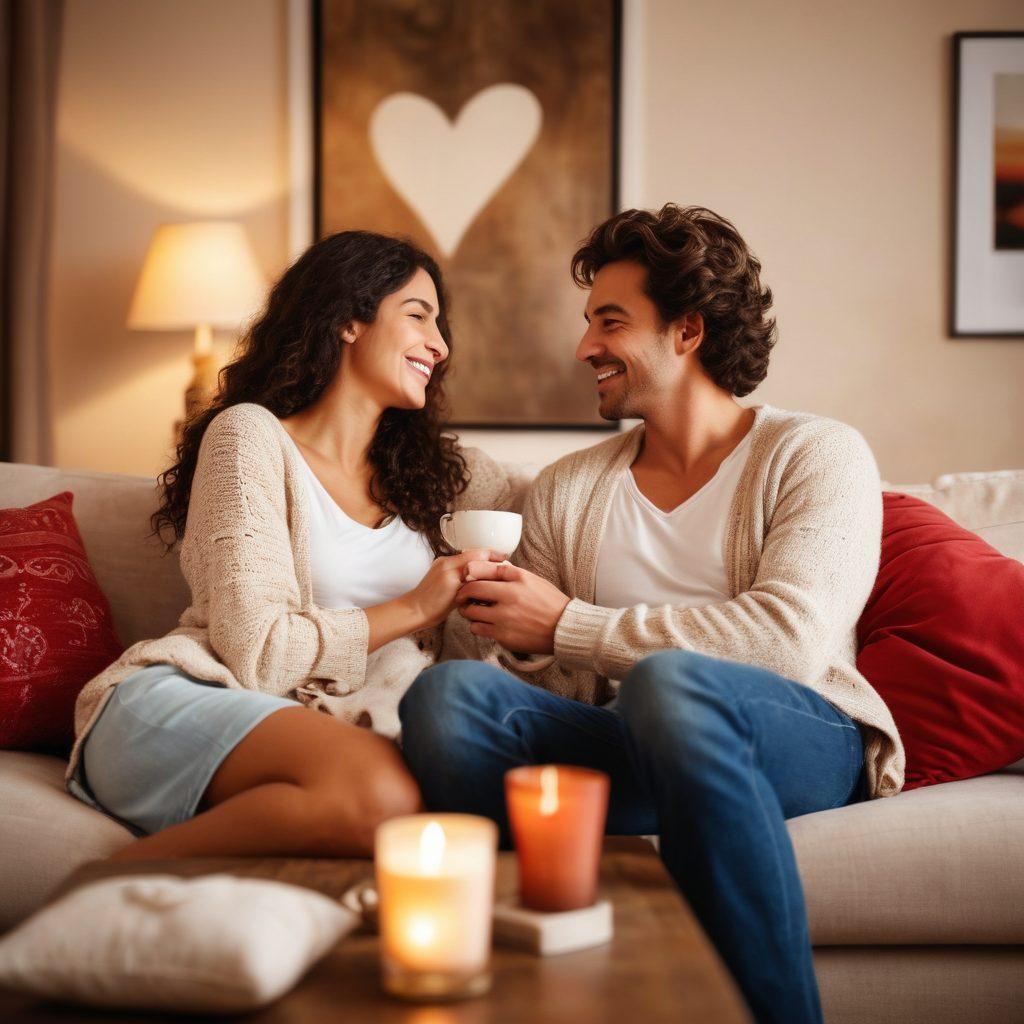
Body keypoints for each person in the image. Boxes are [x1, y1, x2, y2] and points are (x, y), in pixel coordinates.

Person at [399, 205, 904, 1024]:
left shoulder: (817, 453)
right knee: (448, 700)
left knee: (671, 686)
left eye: (611, 321)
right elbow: (542, 684)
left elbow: (789, 640)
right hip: (636, 741)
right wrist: (507, 628)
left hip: (797, 735)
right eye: (587, 321)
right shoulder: (569, 487)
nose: (584, 347)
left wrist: (568, 625)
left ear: (687, 332)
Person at [67, 230, 511, 862]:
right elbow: (260, 652)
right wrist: (417, 607)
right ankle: (101, 883)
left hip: (313, 734)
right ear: (349, 319)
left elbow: (565, 500)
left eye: (441, 326)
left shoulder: (445, 477)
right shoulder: (249, 438)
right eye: (418, 316)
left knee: (408, 813)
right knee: (381, 796)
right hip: (189, 699)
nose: (439, 346)